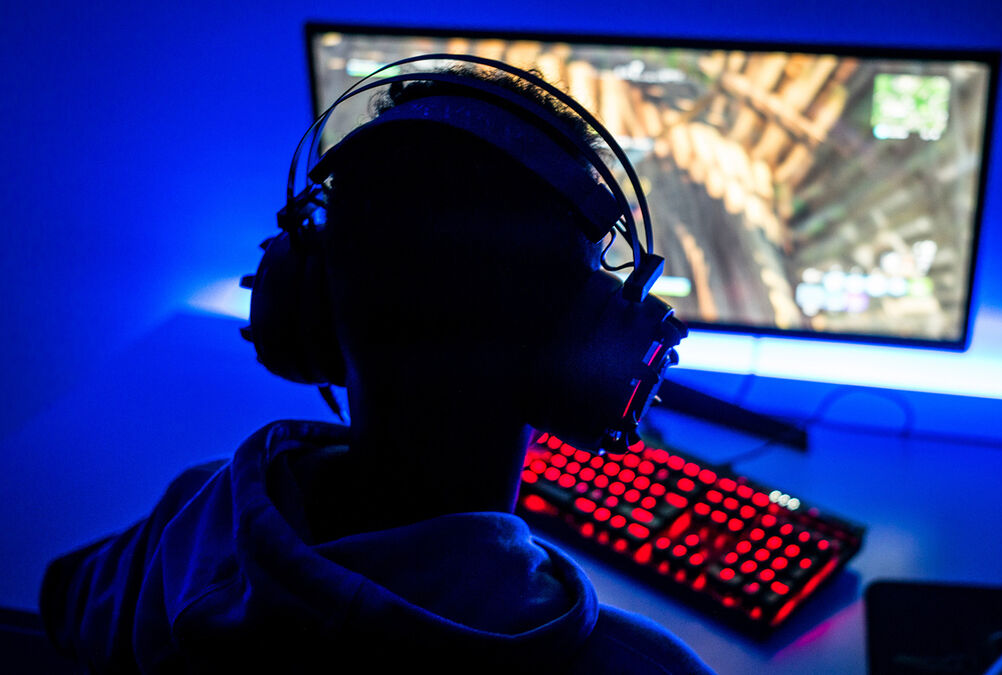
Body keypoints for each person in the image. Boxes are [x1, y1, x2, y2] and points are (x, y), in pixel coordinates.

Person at [39, 63, 714, 673]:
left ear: (303, 304)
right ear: (594, 354)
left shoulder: (191, 520)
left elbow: (61, 593)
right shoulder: (637, 666)